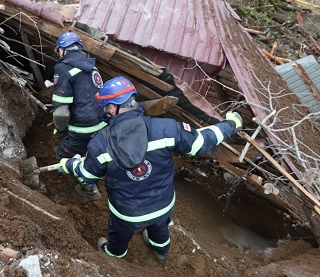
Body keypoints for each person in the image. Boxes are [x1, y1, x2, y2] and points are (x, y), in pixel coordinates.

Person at [59, 76, 243, 261]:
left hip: (126, 213)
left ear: (114, 108)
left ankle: (113, 257)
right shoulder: (166, 128)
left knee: (118, 236)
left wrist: (70, 165)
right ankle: (161, 251)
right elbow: (201, 142)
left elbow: (88, 175)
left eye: (106, 107)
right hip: (163, 205)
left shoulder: (100, 143)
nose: (105, 111)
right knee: (160, 229)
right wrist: (231, 124)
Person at [51, 31, 107, 199]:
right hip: (103, 123)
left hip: (83, 126)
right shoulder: (92, 66)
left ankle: (89, 188)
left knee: (63, 154)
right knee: (92, 152)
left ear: (62, 50)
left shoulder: (63, 68)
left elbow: (61, 113)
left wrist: (60, 131)